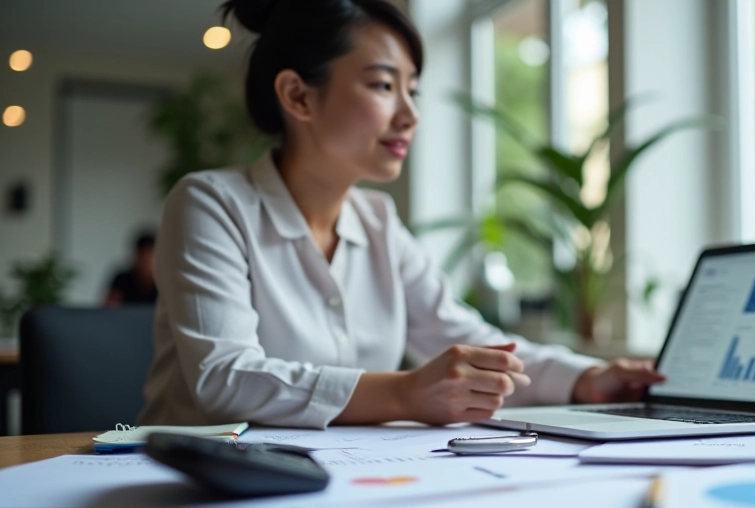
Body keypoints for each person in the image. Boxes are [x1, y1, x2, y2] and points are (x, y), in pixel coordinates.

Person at [138, 0, 664, 428]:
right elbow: (225, 379)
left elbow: (472, 339)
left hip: (341, 479)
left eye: (412, 89)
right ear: (298, 96)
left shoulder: (378, 221)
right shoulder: (211, 203)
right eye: (384, 85)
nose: (410, 115)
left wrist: (587, 380)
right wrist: (407, 393)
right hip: (196, 487)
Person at [104, 231, 158, 306]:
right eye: (143, 257)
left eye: (150, 257)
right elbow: (108, 308)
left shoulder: (163, 283)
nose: (146, 263)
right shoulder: (121, 280)